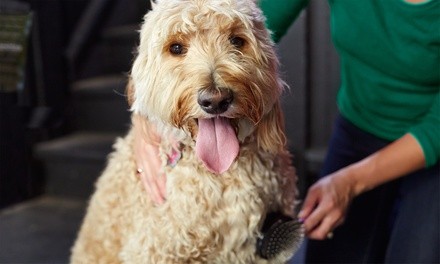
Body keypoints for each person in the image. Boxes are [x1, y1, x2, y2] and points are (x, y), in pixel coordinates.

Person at [133, 0, 440, 262]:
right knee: (328, 254)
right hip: (358, 126)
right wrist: (143, 111)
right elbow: (251, 25)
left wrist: (351, 181)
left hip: (432, 143)